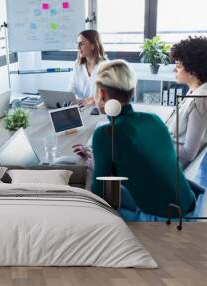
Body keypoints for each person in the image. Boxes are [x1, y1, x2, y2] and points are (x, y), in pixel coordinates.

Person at [73, 60, 195, 221]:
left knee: (81, 199)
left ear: (101, 94)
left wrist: (94, 164)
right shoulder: (154, 120)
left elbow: (100, 195)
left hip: (164, 223)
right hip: (190, 207)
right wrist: (99, 156)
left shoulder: (106, 133)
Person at [167, 36, 207, 168]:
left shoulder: (199, 100)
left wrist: (157, 141)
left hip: (172, 168)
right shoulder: (194, 92)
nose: (174, 70)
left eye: (178, 66)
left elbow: (189, 153)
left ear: (193, 70)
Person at [67, 29, 107, 107]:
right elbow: (72, 85)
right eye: (78, 44)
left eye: (81, 44)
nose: (78, 47)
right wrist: (69, 99)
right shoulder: (77, 64)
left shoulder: (106, 66)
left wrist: (93, 100)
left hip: (98, 108)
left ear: (93, 45)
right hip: (81, 106)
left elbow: (109, 94)